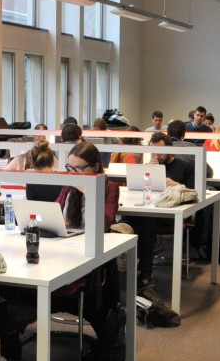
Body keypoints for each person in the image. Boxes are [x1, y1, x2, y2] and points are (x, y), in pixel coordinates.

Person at [61, 140, 177, 327]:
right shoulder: (69, 188)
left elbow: (104, 222)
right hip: (67, 244)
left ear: (95, 167)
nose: (73, 174)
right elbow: (56, 212)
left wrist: (89, 193)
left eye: (78, 169)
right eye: (69, 168)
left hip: (92, 246)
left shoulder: (109, 187)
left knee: (146, 224)